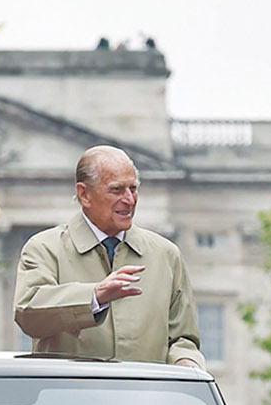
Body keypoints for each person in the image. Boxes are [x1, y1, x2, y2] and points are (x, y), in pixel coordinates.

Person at [12, 145, 201, 365]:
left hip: (144, 397)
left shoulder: (166, 255)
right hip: (68, 397)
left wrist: (186, 361)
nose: (129, 200)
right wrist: (94, 297)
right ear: (84, 194)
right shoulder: (44, 248)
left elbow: (183, 337)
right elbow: (29, 316)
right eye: (117, 190)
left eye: (133, 188)